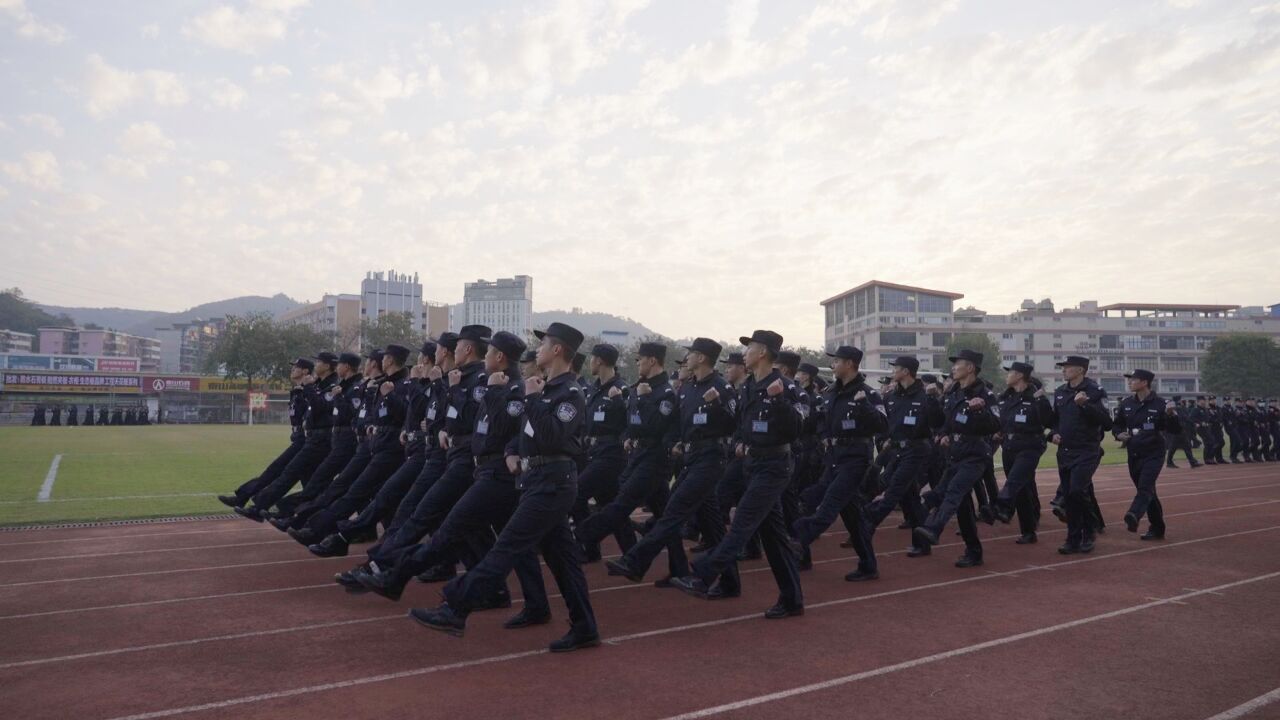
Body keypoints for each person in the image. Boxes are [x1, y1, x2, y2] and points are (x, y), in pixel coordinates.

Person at [406, 322, 600, 652]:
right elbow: (524, 432)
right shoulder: (544, 388)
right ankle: (584, 626)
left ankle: (456, 606)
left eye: (543, 345)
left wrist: (534, 400)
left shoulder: (570, 393)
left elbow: (552, 435)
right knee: (562, 559)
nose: (536, 351)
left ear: (557, 351)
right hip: (536, 479)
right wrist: (512, 450)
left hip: (552, 484)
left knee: (506, 547)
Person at [671, 329, 806, 620]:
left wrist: (780, 401)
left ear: (763, 353)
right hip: (753, 464)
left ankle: (705, 574)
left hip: (775, 465)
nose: (744, 353)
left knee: (742, 520)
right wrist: (719, 409)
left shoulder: (784, 386)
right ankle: (792, 599)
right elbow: (739, 423)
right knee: (774, 538)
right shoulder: (747, 387)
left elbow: (798, 427)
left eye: (750, 348)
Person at [606, 338, 738, 593]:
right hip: (690, 459)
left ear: (701, 358)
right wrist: (674, 443)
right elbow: (677, 422)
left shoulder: (721, 388)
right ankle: (730, 581)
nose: (686, 358)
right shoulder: (688, 388)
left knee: (673, 512)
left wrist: (717, 405)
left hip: (711, 458)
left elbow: (734, 423)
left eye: (691, 354)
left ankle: (635, 561)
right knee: (712, 527)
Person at [575, 342, 677, 565]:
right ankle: (673, 566)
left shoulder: (662, 391)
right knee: (664, 516)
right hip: (634, 454)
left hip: (650, 457)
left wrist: (641, 399)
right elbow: (631, 423)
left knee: (620, 503)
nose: (637, 363)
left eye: (640, 359)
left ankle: (582, 536)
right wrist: (628, 437)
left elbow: (656, 424)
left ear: (652, 360)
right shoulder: (635, 387)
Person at [792, 345, 885, 581]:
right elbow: (822, 420)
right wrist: (824, 438)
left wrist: (863, 406)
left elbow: (883, 424)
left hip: (855, 459)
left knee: (829, 504)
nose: (833, 365)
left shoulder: (868, 394)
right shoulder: (831, 392)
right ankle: (868, 565)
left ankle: (798, 540)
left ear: (850, 364)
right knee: (852, 516)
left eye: (837, 361)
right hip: (833, 458)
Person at [912, 349, 1000, 568]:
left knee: (954, 492)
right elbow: (943, 421)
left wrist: (980, 411)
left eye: (957, 364)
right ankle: (974, 552)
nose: (953, 368)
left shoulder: (986, 395)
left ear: (970, 368)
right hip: (955, 453)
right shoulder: (953, 393)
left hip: (975, 454)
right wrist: (934, 407)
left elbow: (996, 424)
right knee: (961, 507)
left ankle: (934, 528)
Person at [233, 354, 339, 521]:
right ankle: (306, 517)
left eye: (319, 362)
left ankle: (263, 507)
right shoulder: (316, 385)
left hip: (319, 440)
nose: (316, 364)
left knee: (289, 474)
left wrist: (308, 388)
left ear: (327, 366)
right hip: (310, 438)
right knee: (311, 484)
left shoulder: (330, 386)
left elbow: (320, 408)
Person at [1046, 356, 1113, 555]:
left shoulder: (1095, 391)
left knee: (1077, 491)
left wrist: (1085, 405)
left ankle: (1089, 531)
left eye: (1068, 367)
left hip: (1087, 450)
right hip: (1065, 451)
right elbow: (1055, 420)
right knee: (1068, 495)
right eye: (1063, 367)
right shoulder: (1060, 392)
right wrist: (1053, 433)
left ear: (1080, 370)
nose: (1064, 370)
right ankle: (1072, 537)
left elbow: (1107, 423)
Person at [571, 343, 630, 563]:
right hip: (594, 452)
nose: (590, 363)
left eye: (593, 358)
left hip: (611, 454)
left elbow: (628, 420)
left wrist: (617, 402)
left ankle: (585, 540)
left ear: (600, 361)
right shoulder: (595, 389)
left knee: (576, 496)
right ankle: (631, 554)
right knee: (611, 505)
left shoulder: (621, 389)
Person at [219, 365, 310, 509]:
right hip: (299, 439)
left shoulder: (308, 391)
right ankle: (303, 516)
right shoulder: (297, 392)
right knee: (306, 482)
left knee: (279, 471)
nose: (292, 370)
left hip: (306, 441)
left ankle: (249, 500)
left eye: (297, 367)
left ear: (305, 371)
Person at [1113, 369, 1180, 541]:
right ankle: (1157, 528)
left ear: (1144, 383)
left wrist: (1171, 415)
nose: (1129, 382)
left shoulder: (1161, 404)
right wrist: (1118, 434)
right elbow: (1117, 425)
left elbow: (1175, 430)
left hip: (1153, 453)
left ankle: (1134, 514)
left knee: (1145, 486)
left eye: (1133, 379)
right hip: (1134, 453)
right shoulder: (1127, 403)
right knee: (1148, 491)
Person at [992, 362, 1051, 545]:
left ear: (1019, 376)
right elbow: (1001, 420)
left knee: (1015, 480)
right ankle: (1028, 531)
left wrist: (1042, 401)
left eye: (1009, 373)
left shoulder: (1036, 396)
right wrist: (998, 431)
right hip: (1009, 445)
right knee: (1022, 490)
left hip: (1030, 445)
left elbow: (1049, 420)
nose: (1006, 376)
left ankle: (1001, 506)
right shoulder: (1005, 397)